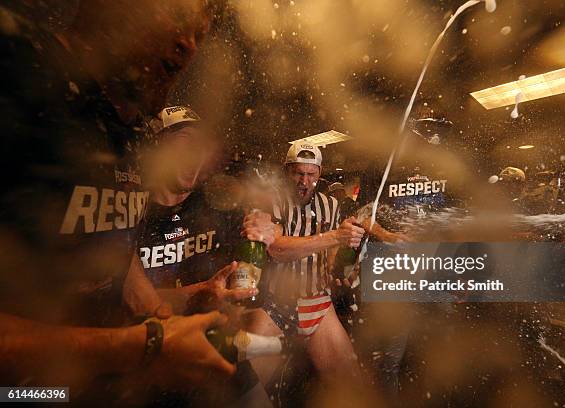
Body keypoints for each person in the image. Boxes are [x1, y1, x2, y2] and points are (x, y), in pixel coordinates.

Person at [0, 0, 246, 398]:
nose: (190, 46)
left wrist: (184, 303)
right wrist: (144, 346)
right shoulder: (17, 67)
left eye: (200, 35)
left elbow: (113, 280)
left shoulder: (129, 132)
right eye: (179, 19)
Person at [137, 104, 275, 406]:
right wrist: (199, 292)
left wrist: (263, 234)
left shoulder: (215, 206)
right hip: (151, 358)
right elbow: (127, 299)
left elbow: (247, 273)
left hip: (216, 347)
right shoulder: (133, 212)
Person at [243, 143, 365, 388]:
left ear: (319, 174)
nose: (304, 181)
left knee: (350, 385)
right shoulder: (271, 201)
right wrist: (335, 237)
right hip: (275, 305)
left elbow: (330, 255)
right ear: (287, 171)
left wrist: (345, 264)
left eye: (311, 175)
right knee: (247, 388)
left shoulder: (330, 205)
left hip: (318, 303)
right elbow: (275, 248)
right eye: (299, 173)